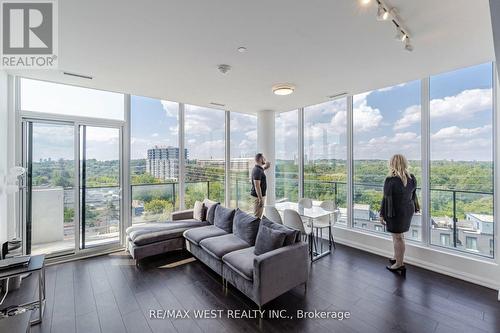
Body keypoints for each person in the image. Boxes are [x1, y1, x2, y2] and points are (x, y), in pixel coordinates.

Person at [379, 154, 419, 276]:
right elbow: (413, 195)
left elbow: (386, 200)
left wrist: (382, 214)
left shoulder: (390, 180)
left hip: (395, 212)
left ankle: (399, 264)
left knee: (397, 237)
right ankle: (397, 257)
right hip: (407, 210)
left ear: (392, 164)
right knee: (399, 236)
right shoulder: (411, 177)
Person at [250, 153, 271, 218]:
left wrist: (265, 167)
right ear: (260, 159)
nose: (265, 159)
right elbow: (257, 186)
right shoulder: (257, 170)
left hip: (258, 196)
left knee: (258, 215)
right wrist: (260, 199)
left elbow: (260, 172)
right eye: (264, 158)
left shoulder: (258, 169)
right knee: (257, 217)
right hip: (257, 197)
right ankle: (255, 228)